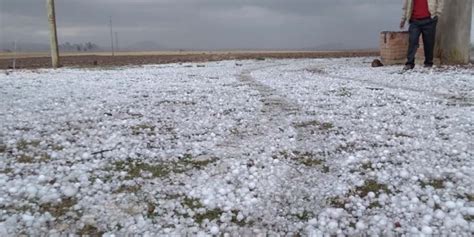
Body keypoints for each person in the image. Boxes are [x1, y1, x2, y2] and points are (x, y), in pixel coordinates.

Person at [400, 0, 444, 70]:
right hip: (414, 21)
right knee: (412, 41)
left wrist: (438, 14)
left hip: (429, 20)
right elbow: (406, 6)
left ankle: (428, 63)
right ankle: (409, 63)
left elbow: (440, 1)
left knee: (429, 43)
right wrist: (403, 19)